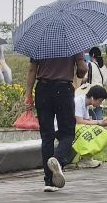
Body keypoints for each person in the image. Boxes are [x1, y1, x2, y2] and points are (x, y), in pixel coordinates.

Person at [25, 50, 87, 192]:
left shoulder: (40, 43)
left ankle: (49, 181)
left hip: (43, 89)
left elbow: (32, 69)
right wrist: (80, 74)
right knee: (68, 132)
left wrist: (28, 95)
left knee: (47, 135)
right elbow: (82, 68)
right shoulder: (73, 43)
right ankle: (58, 160)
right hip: (63, 88)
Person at [72, 85, 107, 169]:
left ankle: (86, 158)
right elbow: (80, 121)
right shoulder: (78, 101)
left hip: (74, 127)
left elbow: (88, 121)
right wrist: (99, 122)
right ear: (92, 98)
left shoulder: (85, 105)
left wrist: (102, 122)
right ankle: (85, 159)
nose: (100, 104)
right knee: (91, 133)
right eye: (100, 101)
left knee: (96, 130)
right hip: (64, 128)